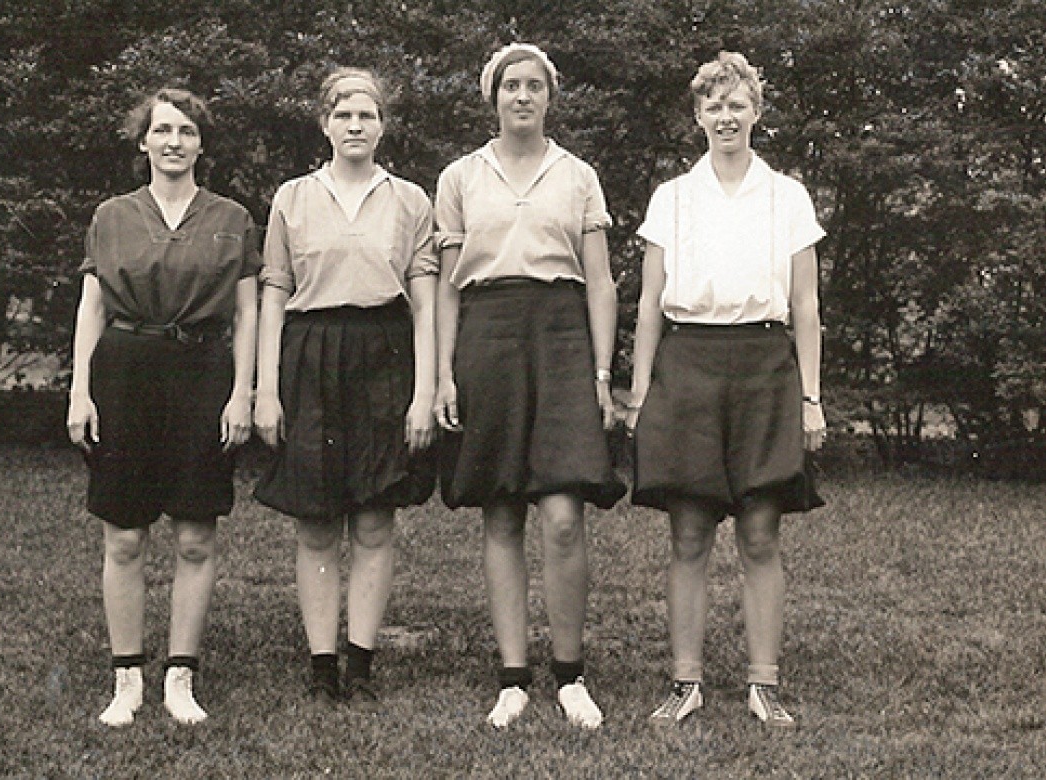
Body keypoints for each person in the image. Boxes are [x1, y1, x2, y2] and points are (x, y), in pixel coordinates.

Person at [627, 51, 826, 729]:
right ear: (697, 117)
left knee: (761, 533)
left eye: (736, 103)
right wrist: (638, 389)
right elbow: (650, 302)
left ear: (757, 112)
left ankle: (763, 684)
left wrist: (811, 397)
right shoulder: (673, 197)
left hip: (766, 365)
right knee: (688, 532)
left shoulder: (787, 196)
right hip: (688, 364)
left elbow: (805, 306)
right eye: (713, 105)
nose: (725, 115)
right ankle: (685, 683)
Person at [434, 43, 625, 730]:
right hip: (486, 334)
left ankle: (570, 676)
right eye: (510, 85)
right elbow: (447, 288)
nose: (522, 96)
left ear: (550, 96)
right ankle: (514, 677)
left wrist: (604, 374)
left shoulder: (577, 175)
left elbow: (599, 282)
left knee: (565, 515)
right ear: (493, 97)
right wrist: (442, 375)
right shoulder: (460, 176)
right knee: (501, 510)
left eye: (534, 85)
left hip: (563, 335)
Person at [67, 87, 259, 726]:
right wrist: (79, 390)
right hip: (124, 370)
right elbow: (92, 306)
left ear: (201, 144)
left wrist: (243, 391)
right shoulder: (113, 215)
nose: (173, 141)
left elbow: (249, 311)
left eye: (185, 131)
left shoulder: (231, 217)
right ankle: (127, 679)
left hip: (203, 371)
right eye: (161, 130)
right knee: (123, 534)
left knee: (196, 533)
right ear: (142, 140)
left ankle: (181, 676)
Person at [253, 68, 437, 710]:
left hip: (384, 352)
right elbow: (274, 293)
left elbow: (424, 301)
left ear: (383, 125)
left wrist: (423, 392)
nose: (355, 126)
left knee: (376, 516)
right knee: (315, 520)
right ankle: (322, 662)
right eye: (343, 115)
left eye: (368, 116)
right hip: (309, 353)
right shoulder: (293, 198)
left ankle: (360, 660)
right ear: (325, 123)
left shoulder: (410, 200)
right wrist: (264, 389)